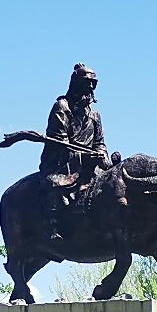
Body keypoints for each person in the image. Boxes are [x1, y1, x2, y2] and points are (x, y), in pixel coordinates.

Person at [38, 63, 116, 241]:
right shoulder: (62, 107)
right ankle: (53, 225)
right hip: (64, 165)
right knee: (53, 185)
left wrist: (102, 157)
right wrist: (85, 156)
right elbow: (59, 143)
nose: (90, 87)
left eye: (93, 83)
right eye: (86, 82)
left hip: (92, 164)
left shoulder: (95, 115)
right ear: (75, 83)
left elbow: (100, 143)